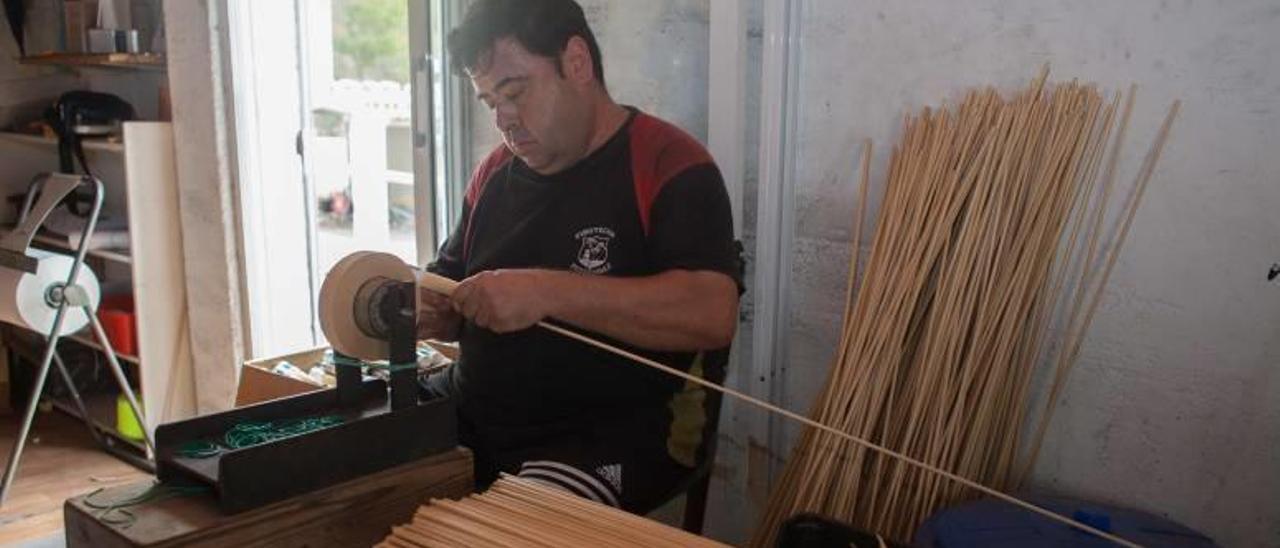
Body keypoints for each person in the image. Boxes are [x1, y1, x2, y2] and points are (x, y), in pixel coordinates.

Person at [417, 0, 742, 514]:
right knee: (343, 457)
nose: (504, 120)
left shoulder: (668, 163)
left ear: (577, 62)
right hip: (472, 409)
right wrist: (431, 308)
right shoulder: (494, 174)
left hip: (607, 437)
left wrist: (545, 292)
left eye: (515, 92)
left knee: (513, 527)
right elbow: (450, 282)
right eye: (488, 102)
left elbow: (711, 312)